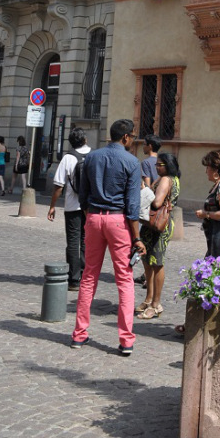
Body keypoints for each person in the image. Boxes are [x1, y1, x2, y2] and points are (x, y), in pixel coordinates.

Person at [71, 119, 145, 355]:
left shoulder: (91, 158)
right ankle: (126, 340)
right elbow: (133, 205)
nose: (132, 141)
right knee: (124, 279)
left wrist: (90, 215)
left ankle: (79, 335)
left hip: (93, 217)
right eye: (132, 137)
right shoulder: (132, 162)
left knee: (89, 276)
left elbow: (82, 194)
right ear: (125, 138)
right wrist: (137, 238)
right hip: (118, 221)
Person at [136, 152, 180, 320]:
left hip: (159, 225)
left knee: (156, 263)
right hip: (152, 225)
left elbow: (156, 203)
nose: (156, 167)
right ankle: (148, 299)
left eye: (159, 165)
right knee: (148, 261)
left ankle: (156, 304)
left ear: (167, 165)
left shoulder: (166, 179)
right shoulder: (168, 179)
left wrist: (144, 191)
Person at [47, 127, 91, 290]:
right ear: (85, 140)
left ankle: (74, 280)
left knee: (73, 241)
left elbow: (58, 185)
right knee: (86, 241)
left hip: (73, 206)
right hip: (90, 206)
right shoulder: (94, 155)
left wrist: (52, 206)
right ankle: (86, 275)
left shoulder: (68, 158)